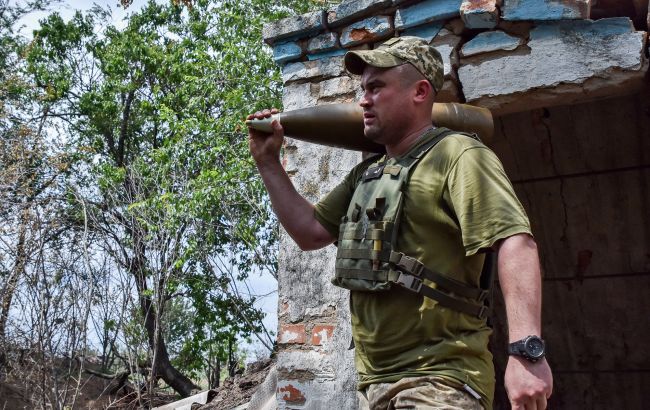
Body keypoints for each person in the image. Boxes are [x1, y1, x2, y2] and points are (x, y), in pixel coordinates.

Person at [247, 36, 553, 410]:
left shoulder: (459, 155)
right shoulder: (368, 173)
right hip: (375, 386)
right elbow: (310, 232)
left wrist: (526, 353)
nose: (363, 100)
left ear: (420, 92)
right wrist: (268, 163)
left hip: (440, 380)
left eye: (376, 88)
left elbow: (515, 243)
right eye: (363, 89)